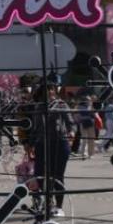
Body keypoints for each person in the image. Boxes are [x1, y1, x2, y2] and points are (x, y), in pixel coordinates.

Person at [32, 88, 74, 217]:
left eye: (51, 91)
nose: (49, 94)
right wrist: (30, 143)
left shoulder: (61, 104)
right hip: (42, 143)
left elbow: (70, 122)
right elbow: (35, 126)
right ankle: (47, 203)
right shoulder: (39, 106)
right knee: (39, 174)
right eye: (47, 91)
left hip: (59, 143)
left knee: (57, 176)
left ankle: (59, 207)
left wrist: (71, 131)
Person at [75, 93, 96, 158]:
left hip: (90, 124)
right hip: (83, 123)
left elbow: (94, 115)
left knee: (91, 139)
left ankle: (91, 154)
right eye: (87, 100)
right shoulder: (79, 106)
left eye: (89, 100)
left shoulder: (91, 106)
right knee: (84, 139)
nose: (89, 101)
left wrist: (92, 111)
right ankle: (84, 153)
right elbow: (79, 115)